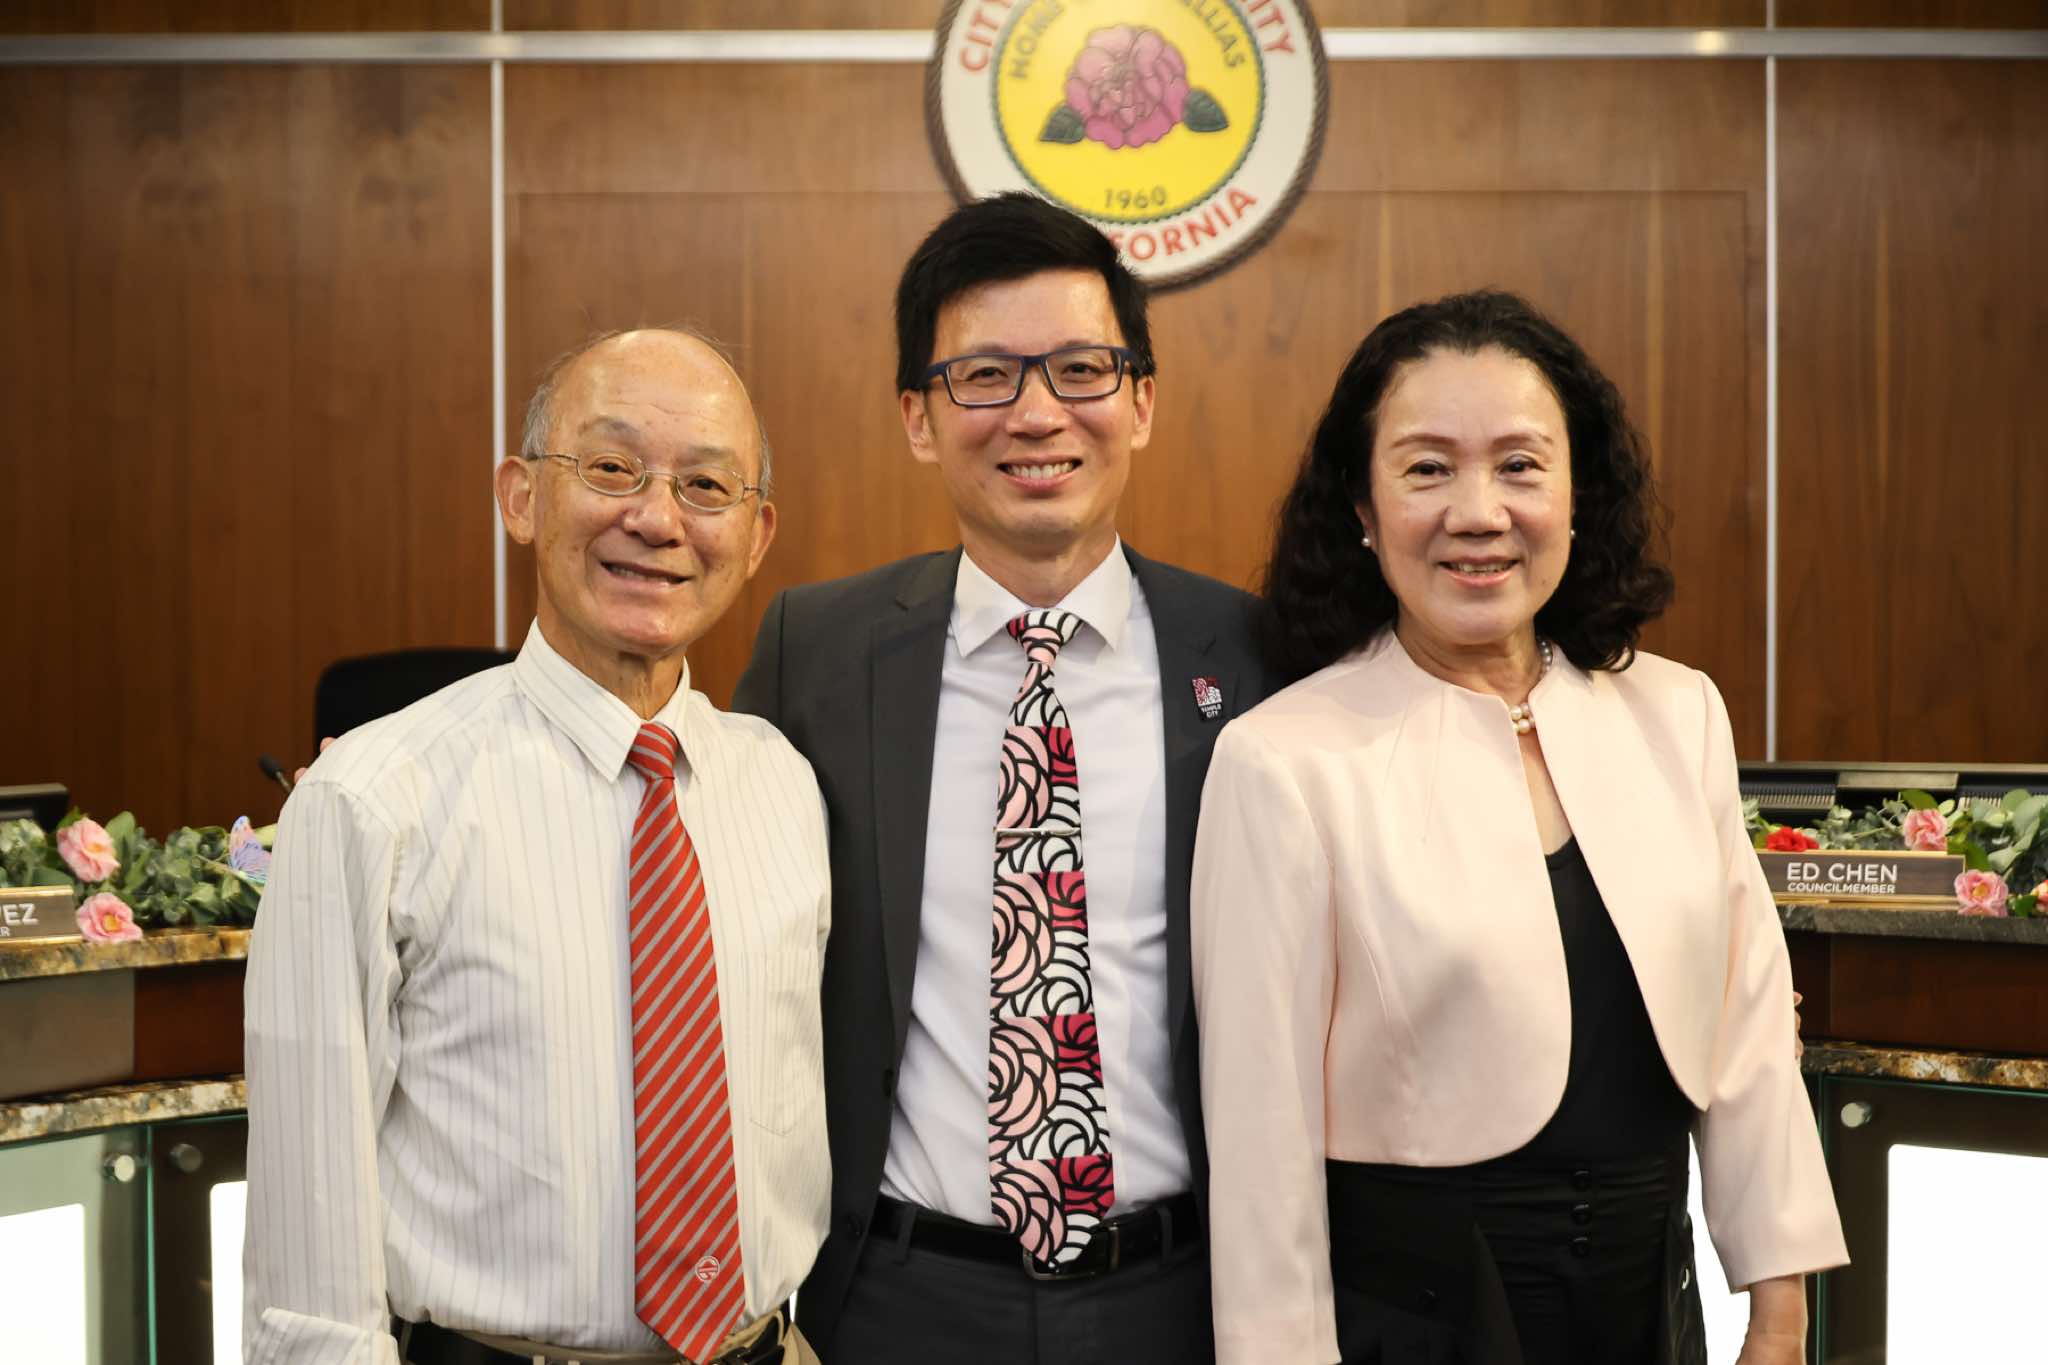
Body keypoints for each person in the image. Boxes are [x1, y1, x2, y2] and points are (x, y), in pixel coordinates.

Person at [1191, 290, 1847, 1365]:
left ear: (1576, 492)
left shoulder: (1677, 712)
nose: (1478, 511)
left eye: (1519, 465)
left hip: (1647, 1303)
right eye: (1426, 468)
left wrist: (1778, 1312)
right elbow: (1260, 1132)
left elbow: (1748, 1033)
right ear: (1361, 508)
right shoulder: (1281, 760)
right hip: (1416, 1323)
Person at [731, 193, 1271, 1363]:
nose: (1035, 414)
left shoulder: (1256, 659)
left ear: (1140, 401)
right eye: (983, 376)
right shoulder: (813, 652)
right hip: (898, 1299)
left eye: (1080, 369)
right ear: (918, 418)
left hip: (1181, 1298)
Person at [245, 328, 831, 1365]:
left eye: (705, 486)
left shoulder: (782, 785)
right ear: (520, 498)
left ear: (755, 535)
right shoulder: (371, 799)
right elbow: (309, 1260)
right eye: (610, 467)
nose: (656, 519)